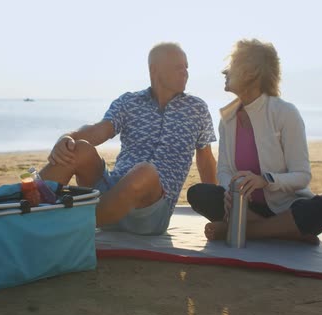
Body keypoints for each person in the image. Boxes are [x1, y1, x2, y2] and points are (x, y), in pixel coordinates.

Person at [39, 42, 217, 235]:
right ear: (154, 69)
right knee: (78, 148)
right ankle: (23, 209)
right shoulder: (129, 102)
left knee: (145, 172)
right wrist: (67, 138)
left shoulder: (197, 108)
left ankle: (73, 223)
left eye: (186, 67)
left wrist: (215, 212)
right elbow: (99, 131)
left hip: (151, 211)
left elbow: (206, 160)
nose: (185, 72)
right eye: (178, 67)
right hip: (111, 192)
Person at [187, 39, 322, 244]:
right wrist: (229, 192)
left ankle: (243, 231)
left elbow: (302, 176)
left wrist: (266, 180)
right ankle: (289, 232)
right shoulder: (228, 119)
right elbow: (224, 170)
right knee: (198, 193)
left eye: (232, 65)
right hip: (245, 207)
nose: (224, 72)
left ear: (251, 72)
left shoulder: (285, 113)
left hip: (286, 207)